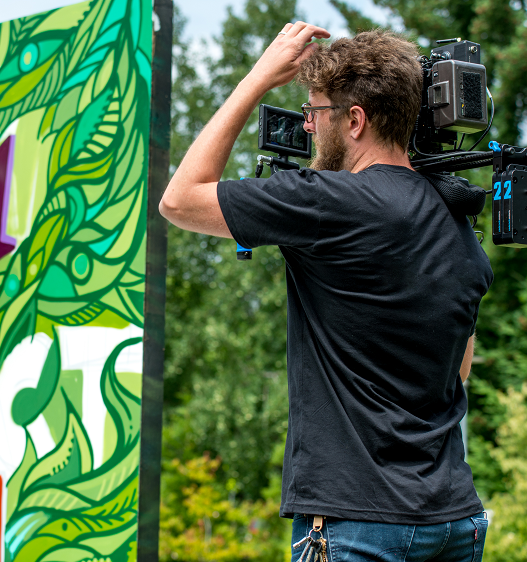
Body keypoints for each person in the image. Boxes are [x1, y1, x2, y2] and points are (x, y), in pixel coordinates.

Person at [159, 23, 493, 561]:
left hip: (358, 523)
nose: (309, 129)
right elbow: (459, 368)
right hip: (453, 519)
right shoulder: (457, 223)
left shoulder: (330, 202)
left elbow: (179, 200)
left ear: (354, 120)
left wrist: (258, 79)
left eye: (315, 114)